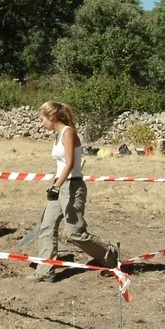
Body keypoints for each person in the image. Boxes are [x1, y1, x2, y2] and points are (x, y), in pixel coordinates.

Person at [27, 101, 119, 283]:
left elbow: (69, 164)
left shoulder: (68, 133)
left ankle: (110, 254)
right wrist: (54, 185)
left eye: (42, 119)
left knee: (74, 233)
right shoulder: (57, 135)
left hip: (72, 187)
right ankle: (45, 271)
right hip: (60, 186)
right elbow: (60, 165)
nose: (41, 123)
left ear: (52, 117)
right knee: (47, 227)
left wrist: (56, 185)